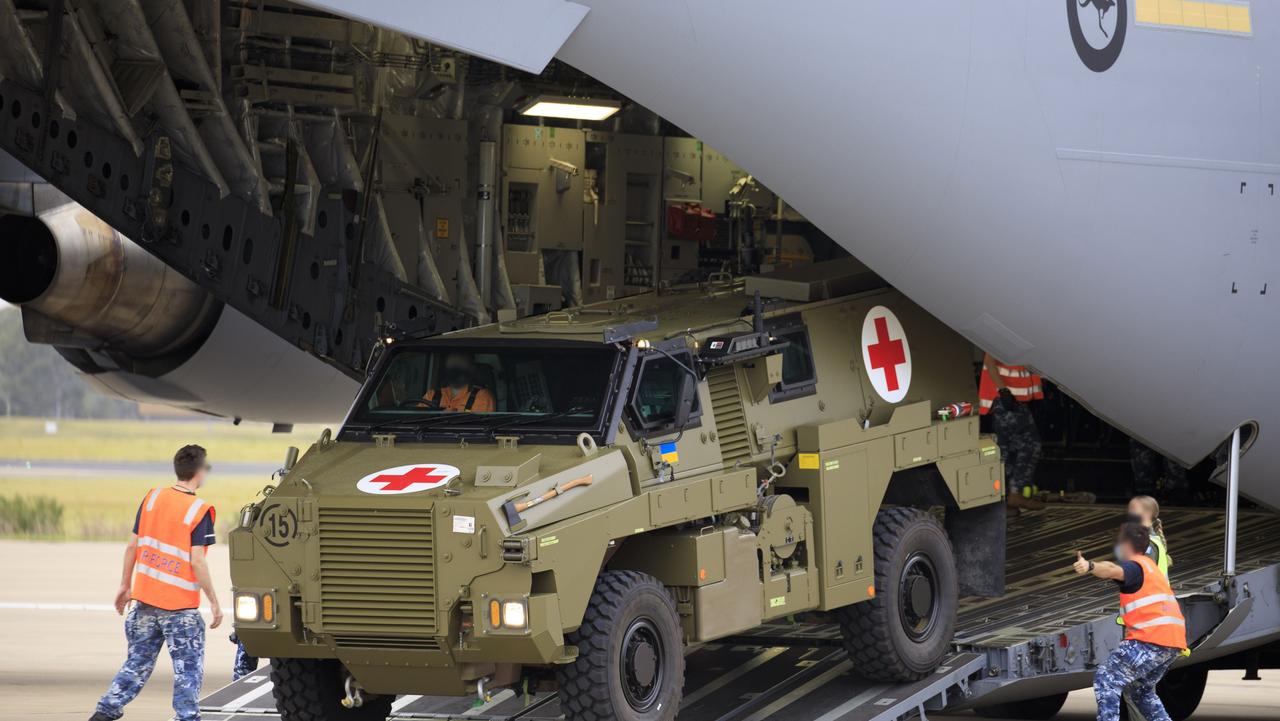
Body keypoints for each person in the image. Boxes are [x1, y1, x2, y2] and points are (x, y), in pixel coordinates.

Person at [90, 445, 223, 721]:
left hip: (145, 603)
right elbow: (197, 561)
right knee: (187, 671)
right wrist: (214, 601)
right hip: (180, 610)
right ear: (199, 471)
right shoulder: (199, 510)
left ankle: (106, 711)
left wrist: (125, 586)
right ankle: (186, 718)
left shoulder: (151, 499)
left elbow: (132, 547)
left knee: (136, 663)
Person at [1074, 523, 1187, 721]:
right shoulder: (1149, 567)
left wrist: (1089, 566)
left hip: (1151, 639)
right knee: (1141, 691)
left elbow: (1110, 569)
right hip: (1172, 642)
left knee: (1106, 679)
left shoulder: (1135, 566)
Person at [979, 353, 1044, 510]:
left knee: (1008, 450)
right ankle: (1015, 495)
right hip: (1007, 401)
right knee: (1030, 445)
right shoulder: (1002, 335)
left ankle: (1004, 502)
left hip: (1012, 401)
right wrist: (1003, 391)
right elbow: (989, 360)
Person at [421, 352, 496, 412]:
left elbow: (479, 427)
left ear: (471, 368)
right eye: (452, 365)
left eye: (459, 364)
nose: (455, 369)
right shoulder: (431, 396)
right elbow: (419, 421)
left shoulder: (482, 396)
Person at [1128, 495, 1171, 577]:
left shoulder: (1147, 544)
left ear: (1146, 514)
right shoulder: (1151, 540)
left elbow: (1146, 576)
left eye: (1133, 510)